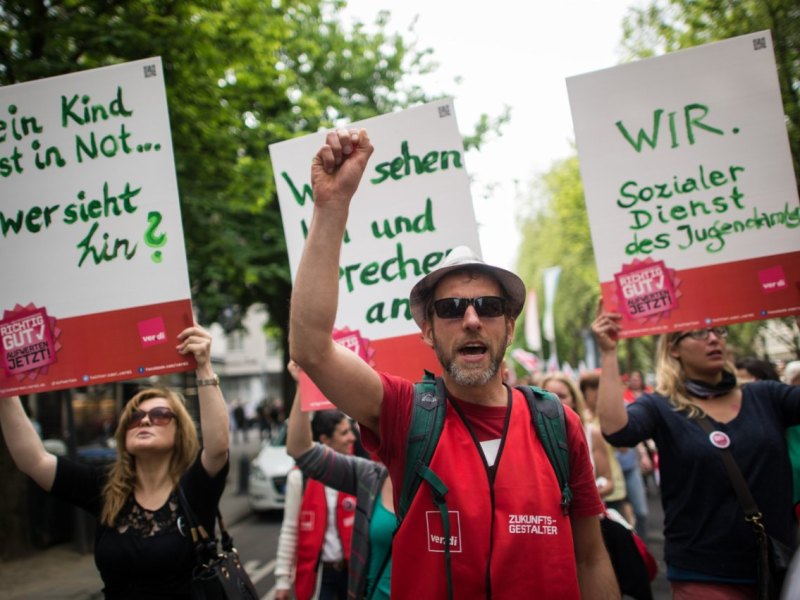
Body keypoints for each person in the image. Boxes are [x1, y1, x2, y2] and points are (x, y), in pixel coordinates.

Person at [289, 127, 618, 599]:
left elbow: (590, 557)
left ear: (508, 326)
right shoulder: (405, 413)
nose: (471, 320)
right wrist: (331, 205)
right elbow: (312, 348)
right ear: (427, 331)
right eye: (450, 309)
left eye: (488, 307)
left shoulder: (556, 423)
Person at [0, 325, 230, 599]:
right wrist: (6, 391)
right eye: (134, 416)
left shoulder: (195, 487)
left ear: (180, 432)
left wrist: (203, 366)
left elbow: (218, 448)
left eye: (159, 415)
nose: (144, 420)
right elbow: (34, 461)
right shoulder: (105, 487)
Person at [593, 310, 800, 599]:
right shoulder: (660, 407)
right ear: (673, 349)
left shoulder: (766, 395)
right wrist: (608, 352)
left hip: (780, 567)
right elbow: (616, 430)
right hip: (703, 575)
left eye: (718, 331)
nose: (713, 339)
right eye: (700, 333)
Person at [284, 361, 396, 599]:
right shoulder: (370, 475)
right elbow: (300, 449)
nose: (355, 436)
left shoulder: (436, 480)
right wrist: (303, 385)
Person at [274, 399, 357, 600]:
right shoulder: (299, 478)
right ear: (325, 439)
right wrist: (282, 580)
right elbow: (290, 529)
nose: (352, 438)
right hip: (320, 576)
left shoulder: (358, 471)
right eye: (344, 433)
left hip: (353, 575)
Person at [541, 372, 616, 500]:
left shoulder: (592, 434)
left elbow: (608, 483)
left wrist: (583, 498)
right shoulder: (532, 436)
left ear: (574, 400)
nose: (555, 401)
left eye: (562, 396)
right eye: (548, 396)